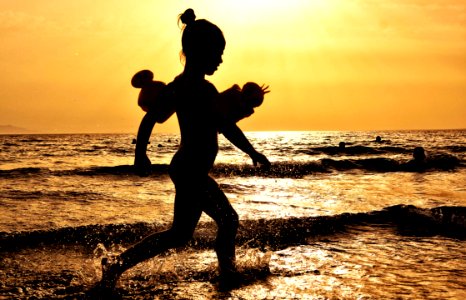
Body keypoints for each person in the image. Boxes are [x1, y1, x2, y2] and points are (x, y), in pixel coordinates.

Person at [98, 8, 271, 292]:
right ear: (200, 51)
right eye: (217, 52)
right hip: (190, 170)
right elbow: (220, 125)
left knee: (179, 235)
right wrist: (140, 153)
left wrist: (141, 153)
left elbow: (219, 124)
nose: (220, 59)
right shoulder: (195, 89)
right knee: (228, 220)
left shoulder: (190, 87)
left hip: (188, 168)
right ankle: (227, 275)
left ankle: (117, 264)